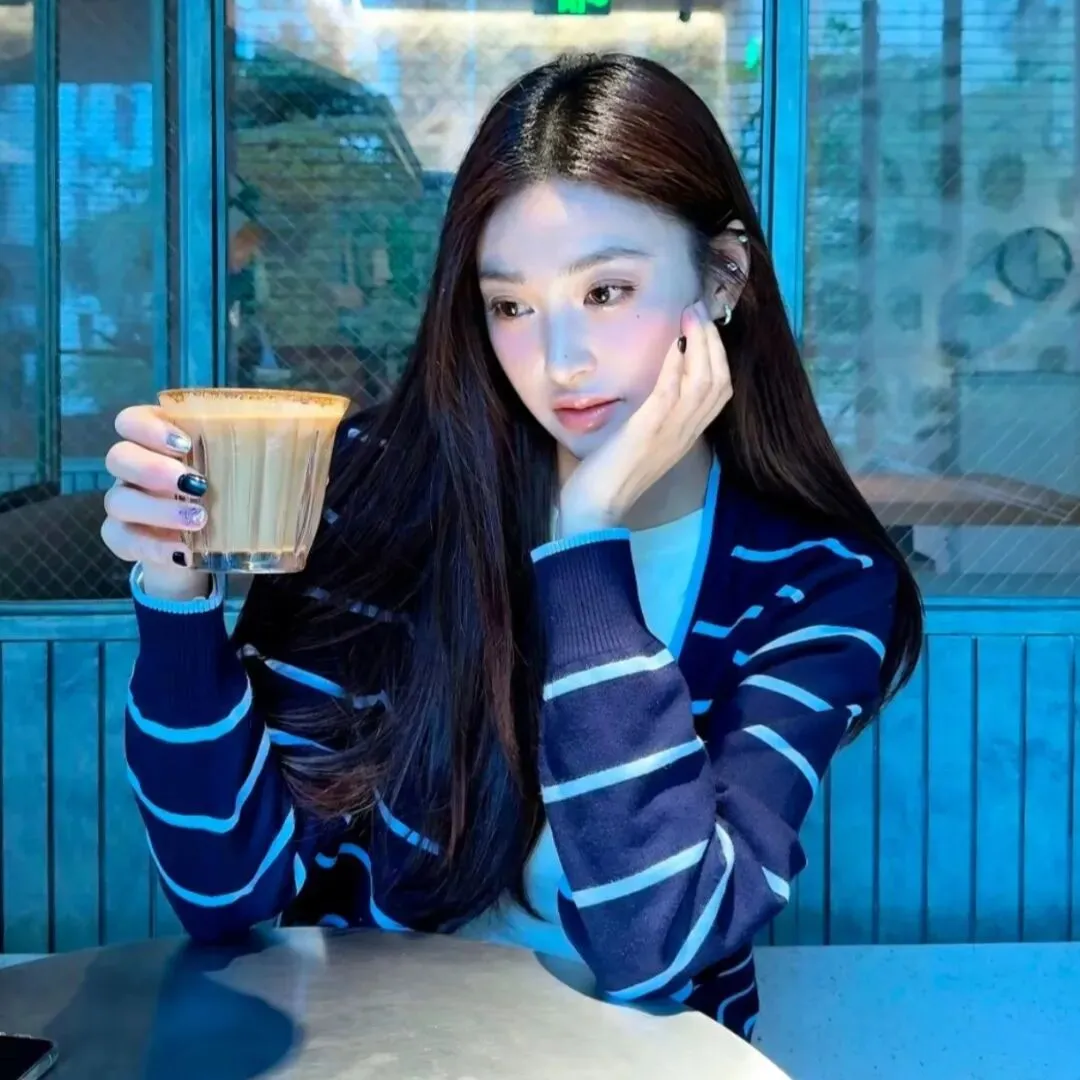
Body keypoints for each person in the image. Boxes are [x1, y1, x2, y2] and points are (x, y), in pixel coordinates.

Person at [101, 53, 923, 1040]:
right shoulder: (377, 492)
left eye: (607, 291)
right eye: (511, 306)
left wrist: (588, 545)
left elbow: (662, 940)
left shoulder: (816, 581)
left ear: (722, 278)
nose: (561, 360)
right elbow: (227, 894)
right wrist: (175, 596)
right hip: (377, 1051)